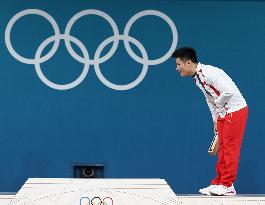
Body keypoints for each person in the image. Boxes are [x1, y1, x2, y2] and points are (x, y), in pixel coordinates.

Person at [171, 47, 248, 196]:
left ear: (188, 63)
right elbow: (209, 99)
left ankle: (228, 185)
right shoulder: (197, 78)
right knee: (222, 149)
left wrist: (218, 104)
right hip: (223, 113)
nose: (177, 68)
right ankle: (219, 182)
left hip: (236, 110)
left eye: (178, 64)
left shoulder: (209, 73)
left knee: (230, 149)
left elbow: (228, 92)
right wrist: (215, 119)